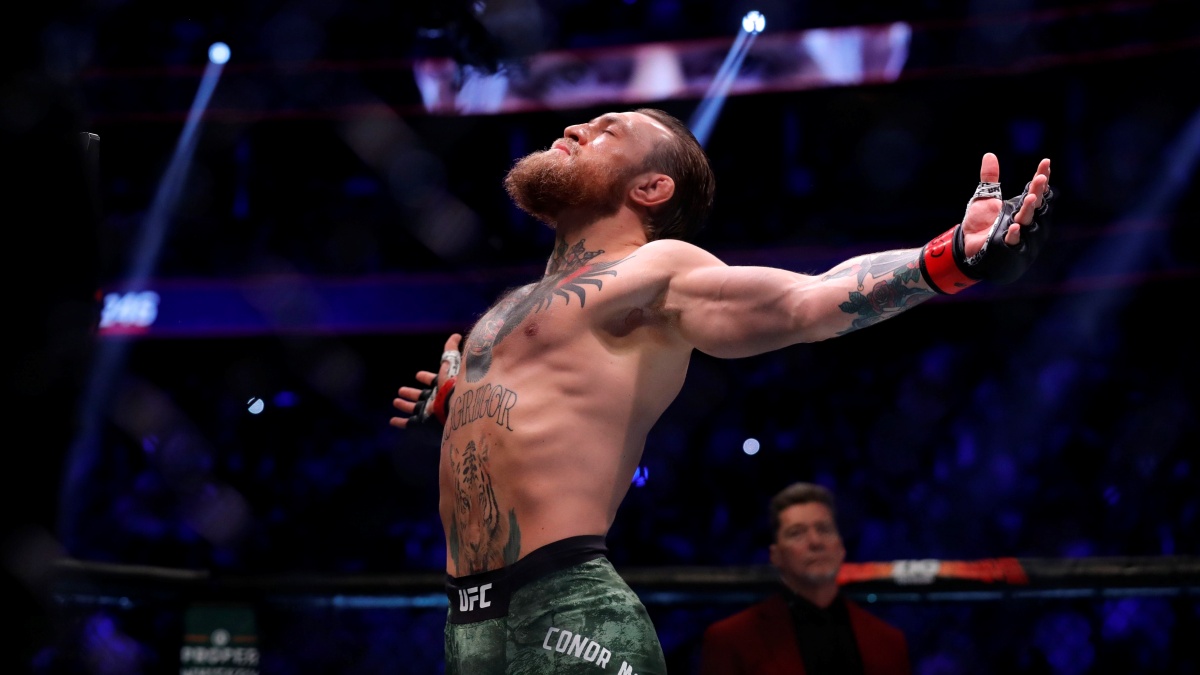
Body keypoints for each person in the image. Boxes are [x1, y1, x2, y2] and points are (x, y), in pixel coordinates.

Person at [390, 107, 1053, 674]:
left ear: (652, 186)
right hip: (466, 621)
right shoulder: (511, 306)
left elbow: (804, 300)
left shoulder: (654, 270)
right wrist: (453, 407)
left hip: (568, 611)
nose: (574, 129)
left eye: (606, 131)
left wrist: (950, 258)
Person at [699, 482, 910, 675]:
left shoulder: (887, 640)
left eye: (824, 529)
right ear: (776, 555)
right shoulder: (731, 639)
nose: (815, 542)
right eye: (797, 533)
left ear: (840, 547)